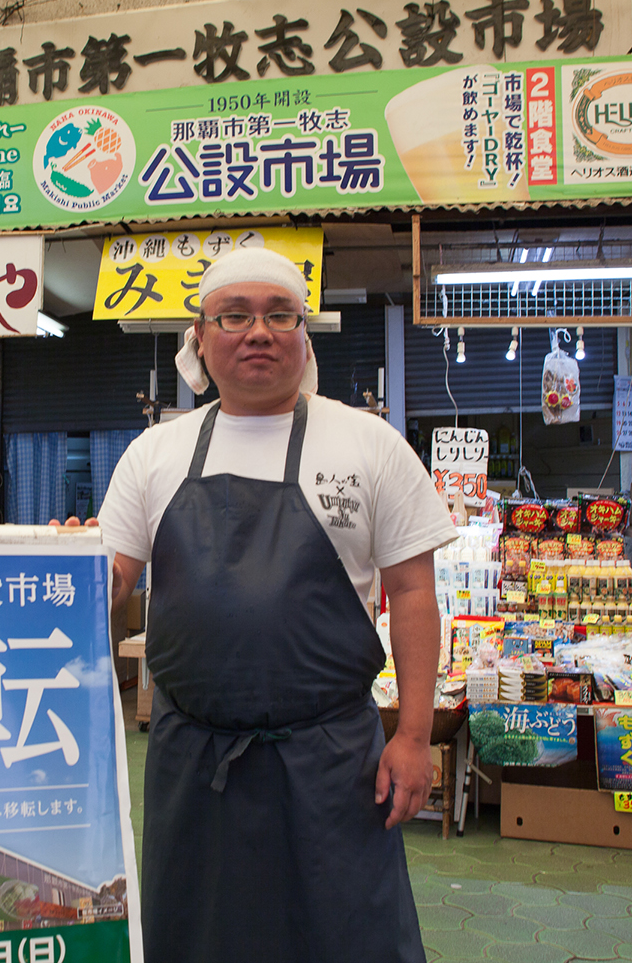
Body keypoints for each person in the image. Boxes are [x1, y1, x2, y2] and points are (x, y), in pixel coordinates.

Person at [95, 247, 454, 962]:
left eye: (278, 314)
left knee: (344, 937)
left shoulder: (369, 445)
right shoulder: (154, 454)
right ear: (200, 337)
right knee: (195, 940)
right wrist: (53, 569)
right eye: (234, 314)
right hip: (191, 762)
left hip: (332, 761)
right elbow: (112, 583)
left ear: (303, 333)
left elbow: (414, 594)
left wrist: (414, 737)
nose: (257, 331)